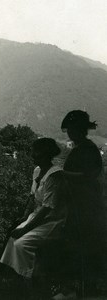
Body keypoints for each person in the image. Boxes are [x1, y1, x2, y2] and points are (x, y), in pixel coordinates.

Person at [0, 138, 67, 280]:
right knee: (12, 238)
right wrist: (24, 216)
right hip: (37, 216)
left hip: (52, 220)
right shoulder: (37, 171)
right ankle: (15, 277)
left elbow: (47, 209)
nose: (32, 155)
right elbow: (32, 196)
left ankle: (30, 278)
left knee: (21, 244)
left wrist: (24, 229)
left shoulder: (55, 176)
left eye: (35, 152)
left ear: (44, 154)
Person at [61, 110, 106, 285]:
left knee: (85, 241)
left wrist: (64, 174)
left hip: (87, 204)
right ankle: (82, 283)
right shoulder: (83, 148)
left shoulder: (87, 149)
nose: (70, 133)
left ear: (80, 130)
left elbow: (88, 175)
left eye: (73, 129)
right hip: (79, 203)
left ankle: (87, 284)